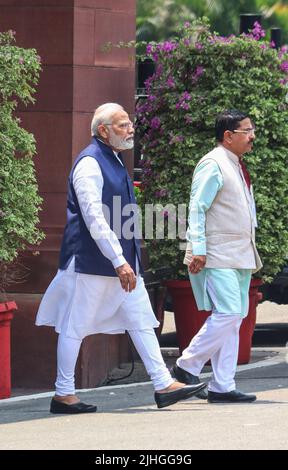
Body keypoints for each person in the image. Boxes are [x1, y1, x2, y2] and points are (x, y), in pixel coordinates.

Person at [36, 102, 206, 413]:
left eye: (129, 124)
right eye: (122, 125)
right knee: (76, 326)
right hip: (92, 262)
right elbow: (94, 217)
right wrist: (118, 260)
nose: (130, 130)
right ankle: (63, 394)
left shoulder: (112, 159)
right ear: (103, 130)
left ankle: (163, 383)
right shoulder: (90, 163)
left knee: (141, 320)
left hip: (120, 263)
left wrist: (124, 260)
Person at [172, 109, 262, 403]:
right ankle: (188, 364)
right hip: (216, 253)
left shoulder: (234, 163)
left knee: (234, 318)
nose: (252, 137)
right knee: (229, 313)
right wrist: (197, 248)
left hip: (239, 252)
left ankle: (223, 385)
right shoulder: (213, 163)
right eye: (246, 131)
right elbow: (197, 208)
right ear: (228, 136)